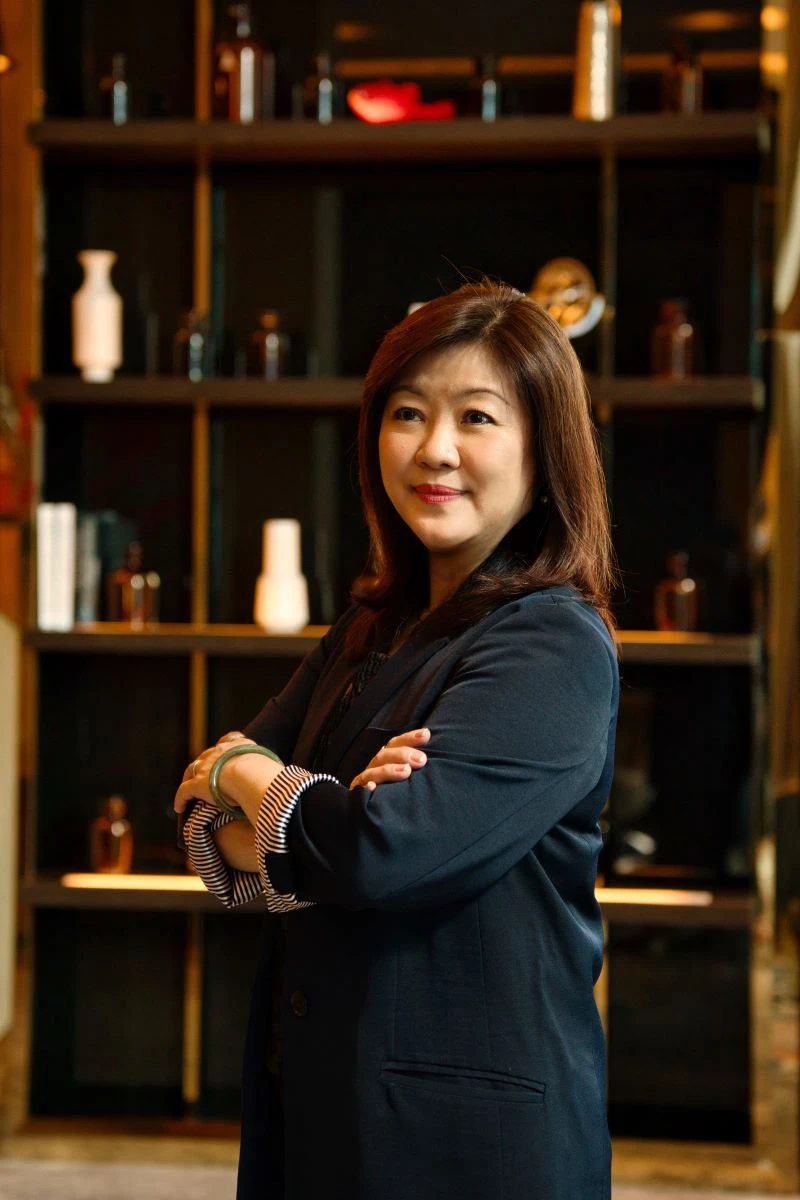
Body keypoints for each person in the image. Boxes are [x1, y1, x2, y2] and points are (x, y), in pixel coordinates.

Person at [174, 279, 620, 1200]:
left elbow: (380, 855)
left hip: (463, 1147)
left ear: (545, 450)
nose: (434, 449)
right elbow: (195, 820)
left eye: (477, 418)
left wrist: (245, 776)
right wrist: (308, 812)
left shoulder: (552, 645)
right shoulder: (369, 628)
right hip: (320, 1115)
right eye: (408, 412)